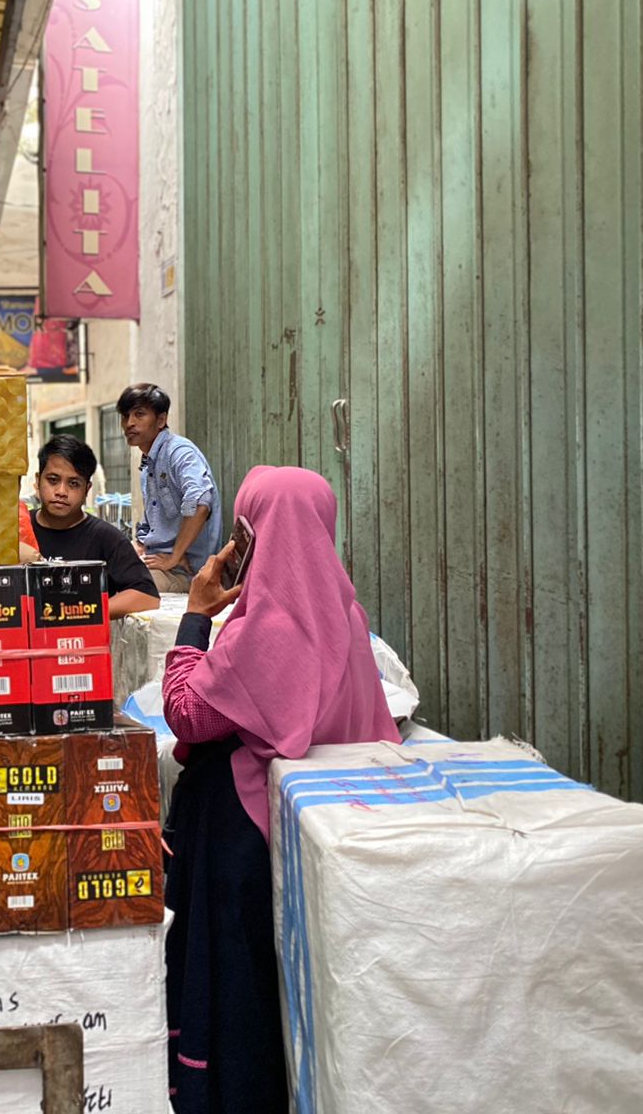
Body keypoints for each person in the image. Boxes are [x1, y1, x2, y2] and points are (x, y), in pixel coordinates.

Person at [160, 466, 398, 1113]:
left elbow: (185, 711)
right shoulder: (347, 615)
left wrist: (195, 617)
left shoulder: (261, 629)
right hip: (322, 830)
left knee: (243, 988)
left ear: (252, 533)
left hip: (244, 830)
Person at [29, 434, 160, 618]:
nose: (61, 492)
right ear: (38, 480)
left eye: (73, 484)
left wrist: (82, 612)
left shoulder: (106, 538)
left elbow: (147, 596)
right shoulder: (17, 530)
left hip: (83, 643)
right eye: (53, 480)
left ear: (87, 490)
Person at [116, 383, 221, 593]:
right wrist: (139, 545)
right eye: (125, 416)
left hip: (186, 571)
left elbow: (200, 502)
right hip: (159, 562)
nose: (129, 423)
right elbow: (151, 523)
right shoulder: (148, 465)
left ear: (161, 420)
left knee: (125, 586)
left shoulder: (179, 452)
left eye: (139, 414)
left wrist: (174, 557)